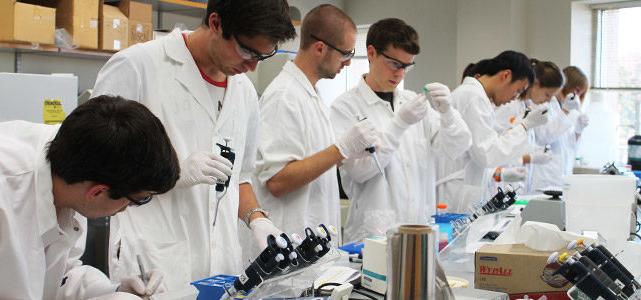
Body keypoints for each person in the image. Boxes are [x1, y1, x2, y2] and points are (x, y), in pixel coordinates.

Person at [91, 0, 296, 289]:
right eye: (248, 51)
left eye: (264, 56)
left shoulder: (245, 93)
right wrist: (171, 174)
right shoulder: (138, 67)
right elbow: (95, 166)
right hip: (155, 262)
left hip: (222, 264)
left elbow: (241, 177)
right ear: (215, 23)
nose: (252, 66)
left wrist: (257, 220)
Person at [0, 95, 179, 299]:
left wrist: (114, 291)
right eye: (135, 200)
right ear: (98, 191)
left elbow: (58, 274)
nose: (125, 210)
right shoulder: (2, 191)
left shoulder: (79, 163)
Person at [248, 4, 377, 252]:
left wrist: (351, 150)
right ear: (320, 48)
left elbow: (312, 163)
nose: (349, 63)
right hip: (290, 246)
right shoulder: (284, 96)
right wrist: (340, 148)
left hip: (311, 247)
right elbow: (277, 181)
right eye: (345, 54)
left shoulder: (311, 94)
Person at [329, 18, 471, 243]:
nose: (401, 74)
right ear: (371, 53)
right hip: (373, 236)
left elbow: (457, 148)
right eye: (394, 64)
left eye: (407, 66)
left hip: (419, 229)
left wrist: (448, 114)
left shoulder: (412, 101)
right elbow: (360, 171)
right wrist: (399, 125)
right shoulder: (345, 107)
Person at [437, 50, 547, 213]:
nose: (514, 97)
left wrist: (500, 173)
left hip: (460, 188)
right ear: (506, 75)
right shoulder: (473, 97)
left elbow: (476, 152)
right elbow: (486, 154)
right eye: (517, 90)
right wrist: (524, 127)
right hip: (453, 194)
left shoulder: (475, 97)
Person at [493, 59, 564, 192]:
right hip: (502, 181)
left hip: (518, 183)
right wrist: (528, 158)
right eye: (547, 94)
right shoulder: (511, 106)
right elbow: (496, 145)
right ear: (536, 83)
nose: (548, 100)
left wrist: (534, 153)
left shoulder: (526, 106)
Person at [529, 66, 590, 190]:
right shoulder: (544, 103)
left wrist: (578, 131)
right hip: (544, 175)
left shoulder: (568, 110)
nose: (577, 96)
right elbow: (543, 137)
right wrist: (566, 111)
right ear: (568, 83)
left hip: (562, 175)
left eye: (581, 94)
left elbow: (570, 148)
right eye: (577, 90)